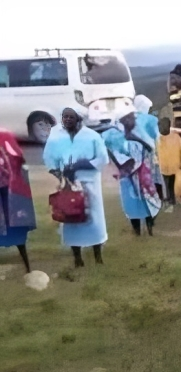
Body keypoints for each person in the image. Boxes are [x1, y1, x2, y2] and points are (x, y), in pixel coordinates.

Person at [43, 107, 109, 267]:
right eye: (64, 117)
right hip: (68, 185)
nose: (67, 120)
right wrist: (62, 176)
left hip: (89, 184)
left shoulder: (92, 136)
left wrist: (80, 165)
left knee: (94, 220)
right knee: (71, 217)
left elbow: (103, 159)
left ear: (79, 118)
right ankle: (77, 258)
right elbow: (49, 158)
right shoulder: (57, 136)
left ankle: (98, 256)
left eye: (71, 117)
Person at [104, 106, 162, 236]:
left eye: (133, 117)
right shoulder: (115, 136)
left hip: (144, 175)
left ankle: (150, 229)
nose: (132, 119)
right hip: (128, 177)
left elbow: (150, 149)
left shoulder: (140, 132)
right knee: (131, 203)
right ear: (123, 120)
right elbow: (114, 155)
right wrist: (126, 165)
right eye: (129, 117)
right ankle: (136, 232)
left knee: (149, 201)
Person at [0, 128, 35, 272]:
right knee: (14, 223)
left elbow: (18, 159)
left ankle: (27, 265)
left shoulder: (5, 135)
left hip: (9, 188)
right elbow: (19, 158)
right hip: (11, 188)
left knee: (13, 223)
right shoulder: (6, 135)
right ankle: (26, 265)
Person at [133, 95, 164, 199]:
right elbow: (158, 136)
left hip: (136, 153)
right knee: (155, 175)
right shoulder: (151, 119)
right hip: (150, 152)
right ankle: (157, 197)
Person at [157, 118, 181, 207]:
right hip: (165, 166)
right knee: (168, 184)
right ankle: (171, 198)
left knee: (174, 183)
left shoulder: (175, 136)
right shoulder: (158, 138)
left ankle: (173, 198)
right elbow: (155, 152)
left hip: (174, 165)